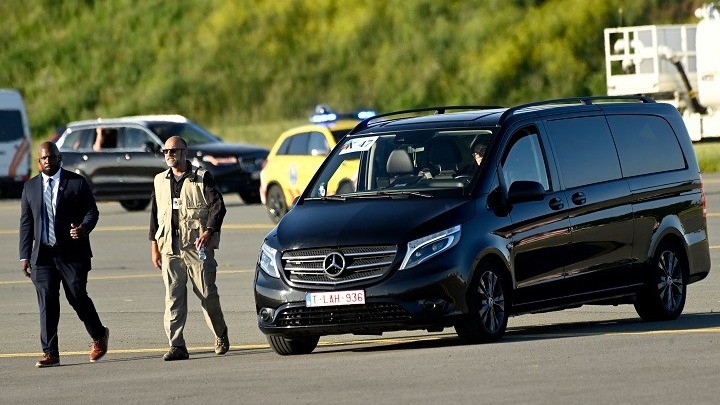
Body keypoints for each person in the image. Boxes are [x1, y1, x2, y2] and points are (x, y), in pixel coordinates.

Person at [19, 142, 109, 368]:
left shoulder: (76, 183)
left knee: (76, 295)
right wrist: (25, 255)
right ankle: (51, 353)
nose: (47, 161)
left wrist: (84, 228)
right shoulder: (30, 188)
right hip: (43, 257)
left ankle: (99, 335)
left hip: (73, 254)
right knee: (47, 302)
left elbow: (92, 211)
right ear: (38, 163)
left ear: (59, 158)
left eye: (51, 157)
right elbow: (26, 223)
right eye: (43, 158)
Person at [149, 136, 229, 361]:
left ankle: (220, 334)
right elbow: (155, 215)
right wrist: (154, 246)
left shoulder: (202, 177)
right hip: (169, 249)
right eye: (165, 151)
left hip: (196, 248)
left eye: (173, 151)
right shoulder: (159, 180)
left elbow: (218, 207)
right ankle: (177, 345)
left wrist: (208, 231)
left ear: (185, 152)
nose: (168, 155)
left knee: (207, 295)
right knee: (173, 298)